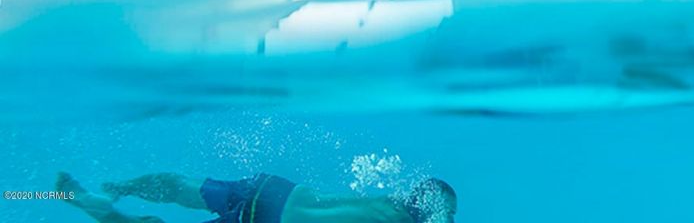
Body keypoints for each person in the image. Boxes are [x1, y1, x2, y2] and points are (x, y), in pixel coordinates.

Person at [56, 170, 456, 223]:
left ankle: (115, 189)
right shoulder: (400, 219)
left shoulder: (391, 202)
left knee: (183, 188)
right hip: (268, 220)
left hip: (277, 191)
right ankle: (88, 201)